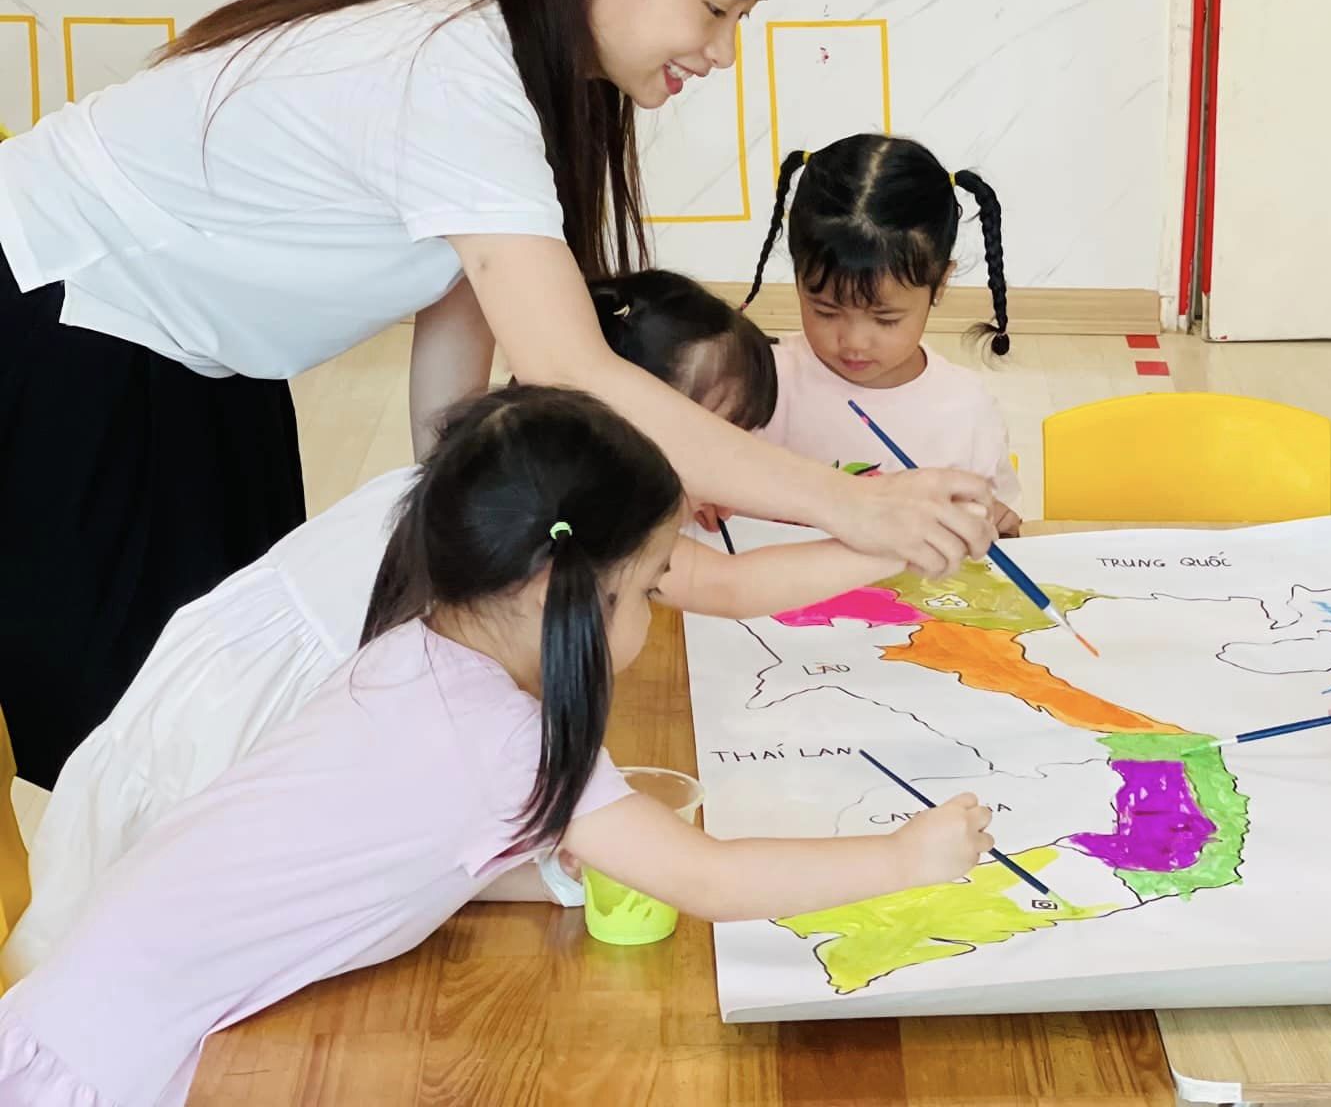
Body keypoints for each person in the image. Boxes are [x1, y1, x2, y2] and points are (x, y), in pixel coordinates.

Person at [0, 0, 992, 787]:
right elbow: (572, 367)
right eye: (716, 6)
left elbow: (461, 303)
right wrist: (854, 507)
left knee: (226, 703)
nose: (723, 50)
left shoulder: (523, 57)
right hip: (72, 312)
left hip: (200, 346)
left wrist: (450, 502)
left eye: (742, 17)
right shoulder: (456, 74)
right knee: (130, 741)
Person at [0, 386, 995, 1105]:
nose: (657, 609)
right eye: (650, 589)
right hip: (116, 1064)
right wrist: (906, 856)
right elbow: (711, 879)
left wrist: (549, 865)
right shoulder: (502, 738)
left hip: (79, 1003)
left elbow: (410, 851)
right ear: (561, 592)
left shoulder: (413, 651)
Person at [4, 271, 816, 979]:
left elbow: (402, 841)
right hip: (197, 826)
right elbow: (376, 838)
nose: (722, 478)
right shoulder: (467, 618)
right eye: (709, 440)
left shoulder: (504, 529)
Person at [743, 133, 1021, 534]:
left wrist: (997, 526)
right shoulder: (754, 381)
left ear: (940, 284)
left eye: (886, 318)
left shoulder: (965, 412)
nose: (854, 342)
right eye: (825, 311)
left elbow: (994, 527)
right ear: (799, 276)